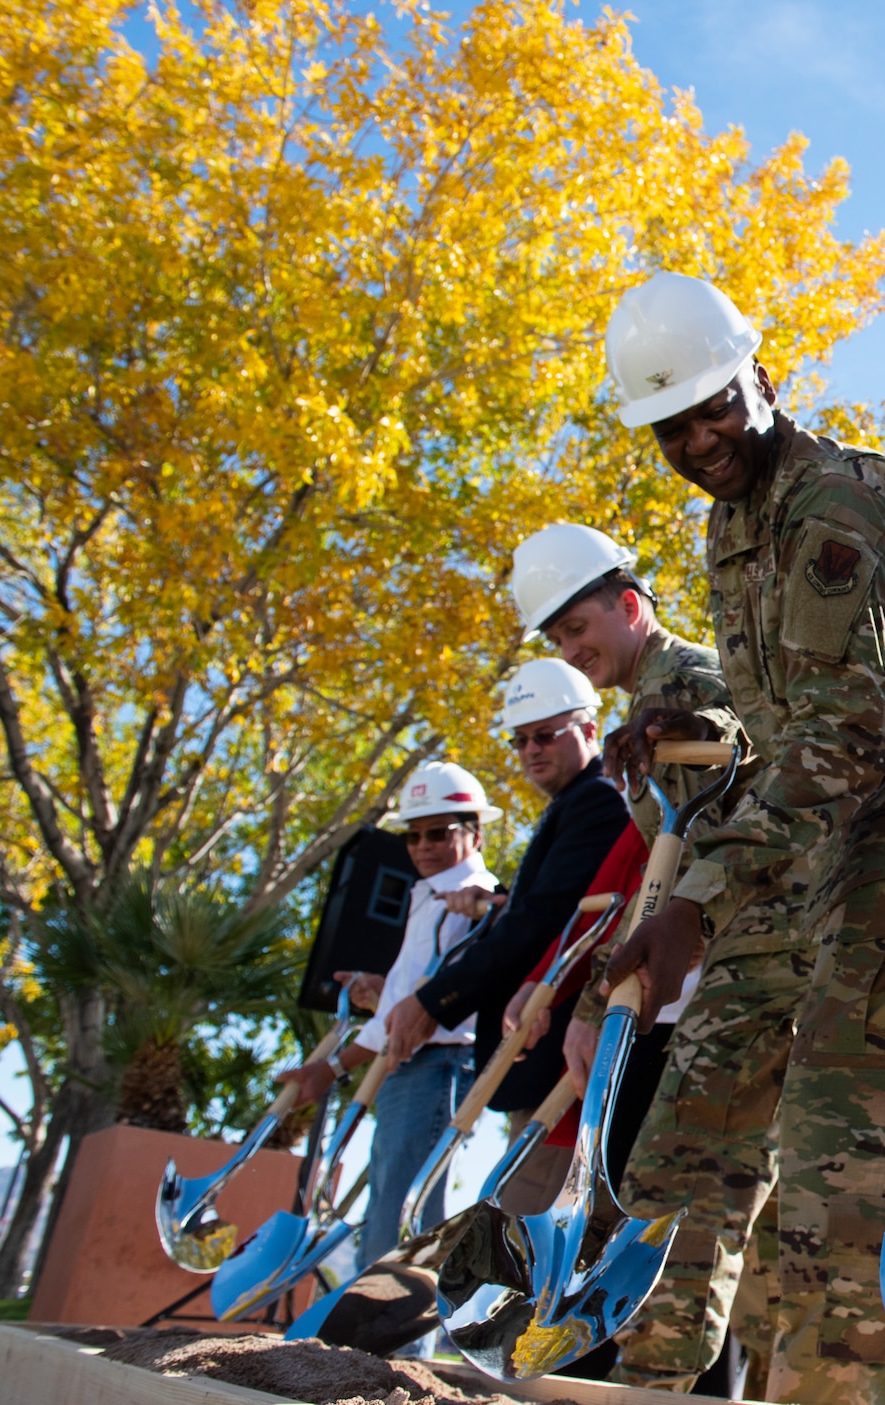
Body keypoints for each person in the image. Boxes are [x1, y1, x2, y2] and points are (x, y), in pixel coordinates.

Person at [597, 271, 885, 1405]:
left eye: (716, 406)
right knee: (737, 1096)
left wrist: (694, 905)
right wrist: (699, 729)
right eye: (672, 424)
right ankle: (652, 1370)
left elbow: (840, 742)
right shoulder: (733, 528)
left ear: (763, 378)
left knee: (841, 1166)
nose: (700, 437)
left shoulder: (832, 504)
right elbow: (788, 726)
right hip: (833, 837)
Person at [513, 519, 798, 1395]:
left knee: (688, 1198)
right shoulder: (640, 720)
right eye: (557, 637)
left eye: (578, 629)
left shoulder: (689, 680)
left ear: (631, 606)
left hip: (755, 970)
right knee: (691, 1204)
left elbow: (740, 745)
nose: (572, 649)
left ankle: (665, 1379)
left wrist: (686, 726)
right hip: (689, 992)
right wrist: (595, 1005)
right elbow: (645, 874)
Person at [381, 657, 633, 1214]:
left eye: (545, 735)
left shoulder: (595, 801)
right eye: (519, 741)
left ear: (590, 730)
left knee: (517, 1238)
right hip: (541, 1060)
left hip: (561, 1053)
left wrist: (433, 1001)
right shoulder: (571, 806)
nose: (530, 751)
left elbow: (546, 920)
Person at [277, 761, 499, 1265]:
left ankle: (388, 1339)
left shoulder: (473, 901)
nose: (422, 846)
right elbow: (410, 1002)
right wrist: (381, 991)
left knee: (403, 1219)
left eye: (438, 833)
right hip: (411, 1071)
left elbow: (423, 1014)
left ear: (475, 833)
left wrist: (333, 1067)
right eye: (413, 835)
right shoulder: (429, 897)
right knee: (389, 1209)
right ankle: (372, 1331)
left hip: (436, 1069)